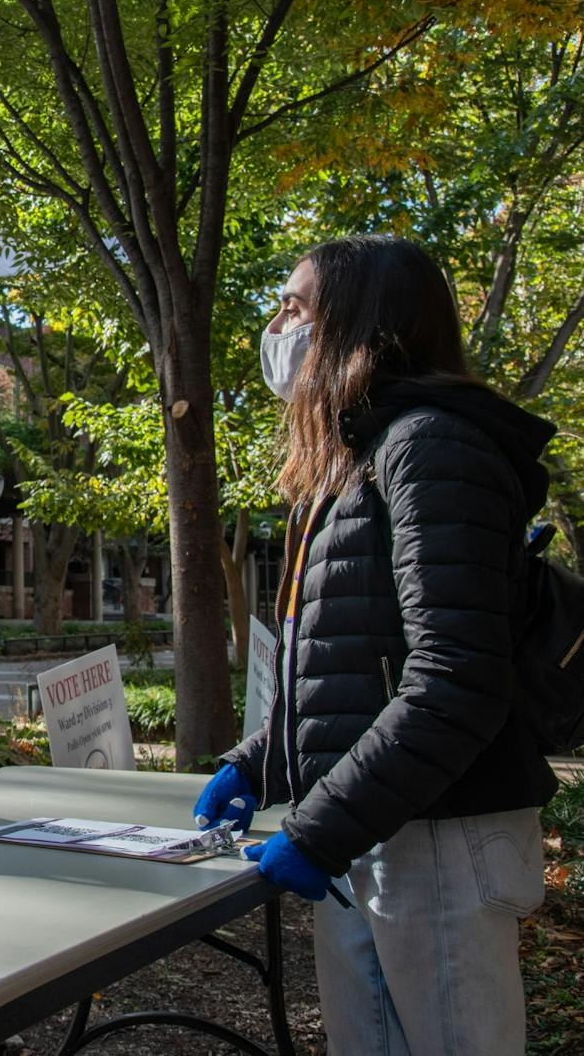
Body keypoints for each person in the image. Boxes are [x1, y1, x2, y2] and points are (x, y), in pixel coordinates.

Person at [195, 235, 557, 1054]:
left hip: (440, 837)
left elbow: (451, 681)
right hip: (376, 828)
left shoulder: (430, 445)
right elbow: (355, 667)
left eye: (296, 307)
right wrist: (258, 760)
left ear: (361, 322)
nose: (279, 326)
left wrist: (318, 828)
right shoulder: (355, 459)